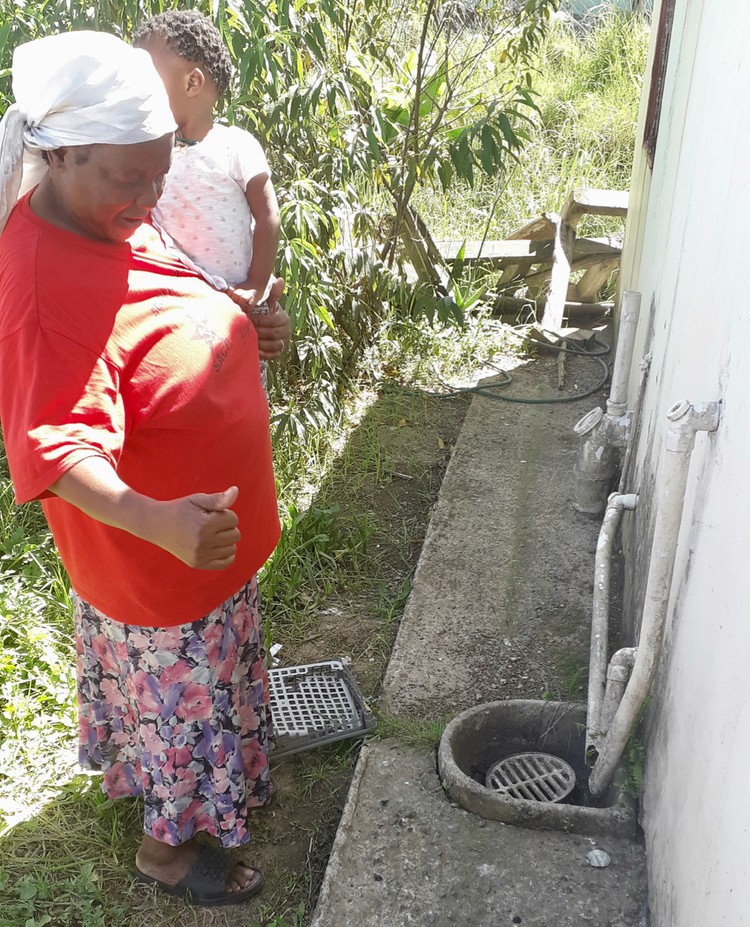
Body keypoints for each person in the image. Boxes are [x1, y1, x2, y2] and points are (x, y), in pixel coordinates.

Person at [0, 30, 290, 907]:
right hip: (159, 561)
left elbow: (162, 285)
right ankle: (165, 855)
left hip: (201, 552)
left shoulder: (106, 208)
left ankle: (224, 788)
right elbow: (52, 446)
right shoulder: (43, 281)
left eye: (158, 174)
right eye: (130, 178)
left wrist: (240, 318)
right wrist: (162, 519)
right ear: (59, 156)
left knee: (208, 700)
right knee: (177, 716)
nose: (149, 195)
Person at [132, 10, 280, 312]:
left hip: (240, 301)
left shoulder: (235, 145)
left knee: (248, 358)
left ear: (192, 83)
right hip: (179, 304)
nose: (138, 93)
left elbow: (267, 217)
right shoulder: (152, 153)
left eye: (149, 81)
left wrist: (256, 284)